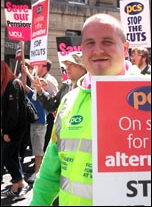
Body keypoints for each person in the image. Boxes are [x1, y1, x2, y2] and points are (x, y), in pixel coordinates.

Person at [30, 13, 143, 206]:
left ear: (125, 48)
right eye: (89, 43)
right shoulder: (69, 101)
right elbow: (49, 173)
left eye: (107, 41)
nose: (97, 50)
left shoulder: (145, 97)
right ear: (82, 50)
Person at [1, 61, 30, 199]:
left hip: (16, 129)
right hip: (11, 128)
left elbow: (14, 112)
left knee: (7, 157)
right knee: (11, 156)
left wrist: (7, 131)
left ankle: (22, 183)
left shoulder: (12, 84)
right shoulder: (7, 84)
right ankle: (15, 186)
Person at [21, 65, 48, 183]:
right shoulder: (34, 94)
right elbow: (23, 86)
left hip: (40, 126)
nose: (37, 85)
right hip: (34, 125)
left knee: (38, 151)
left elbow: (35, 85)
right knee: (36, 150)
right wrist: (23, 74)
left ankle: (38, 174)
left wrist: (28, 73)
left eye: (41, 84)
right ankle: (38, 172)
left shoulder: (44, 96)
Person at [36, 59, 59, 152]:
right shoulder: (41, 77)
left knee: (47, 138)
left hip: (49, 114)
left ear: (45, 67)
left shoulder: (49, 80)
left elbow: (54, 97)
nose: (36, 67)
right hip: (43, 112)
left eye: (39, 65)